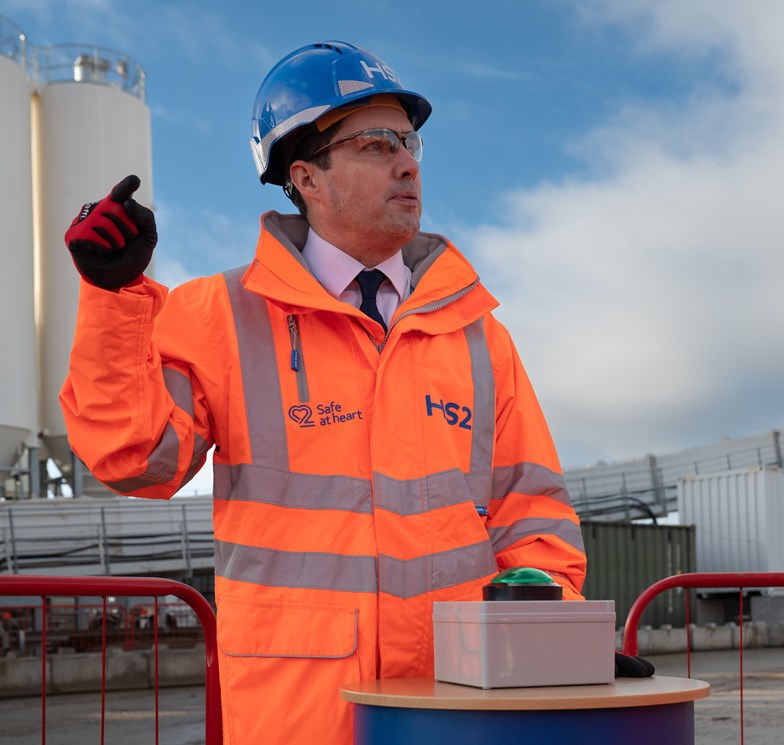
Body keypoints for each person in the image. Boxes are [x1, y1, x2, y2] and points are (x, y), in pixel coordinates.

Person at [59, 41, 593, 743]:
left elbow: (533, 511)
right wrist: (114, 298)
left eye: (409, 142)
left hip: (456, 709)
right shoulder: (220, 314)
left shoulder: (476, 333)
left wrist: (550, 628)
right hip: (301, 714)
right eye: (376, 143)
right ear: (306, 177)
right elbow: (134, 458)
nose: (407, 161)